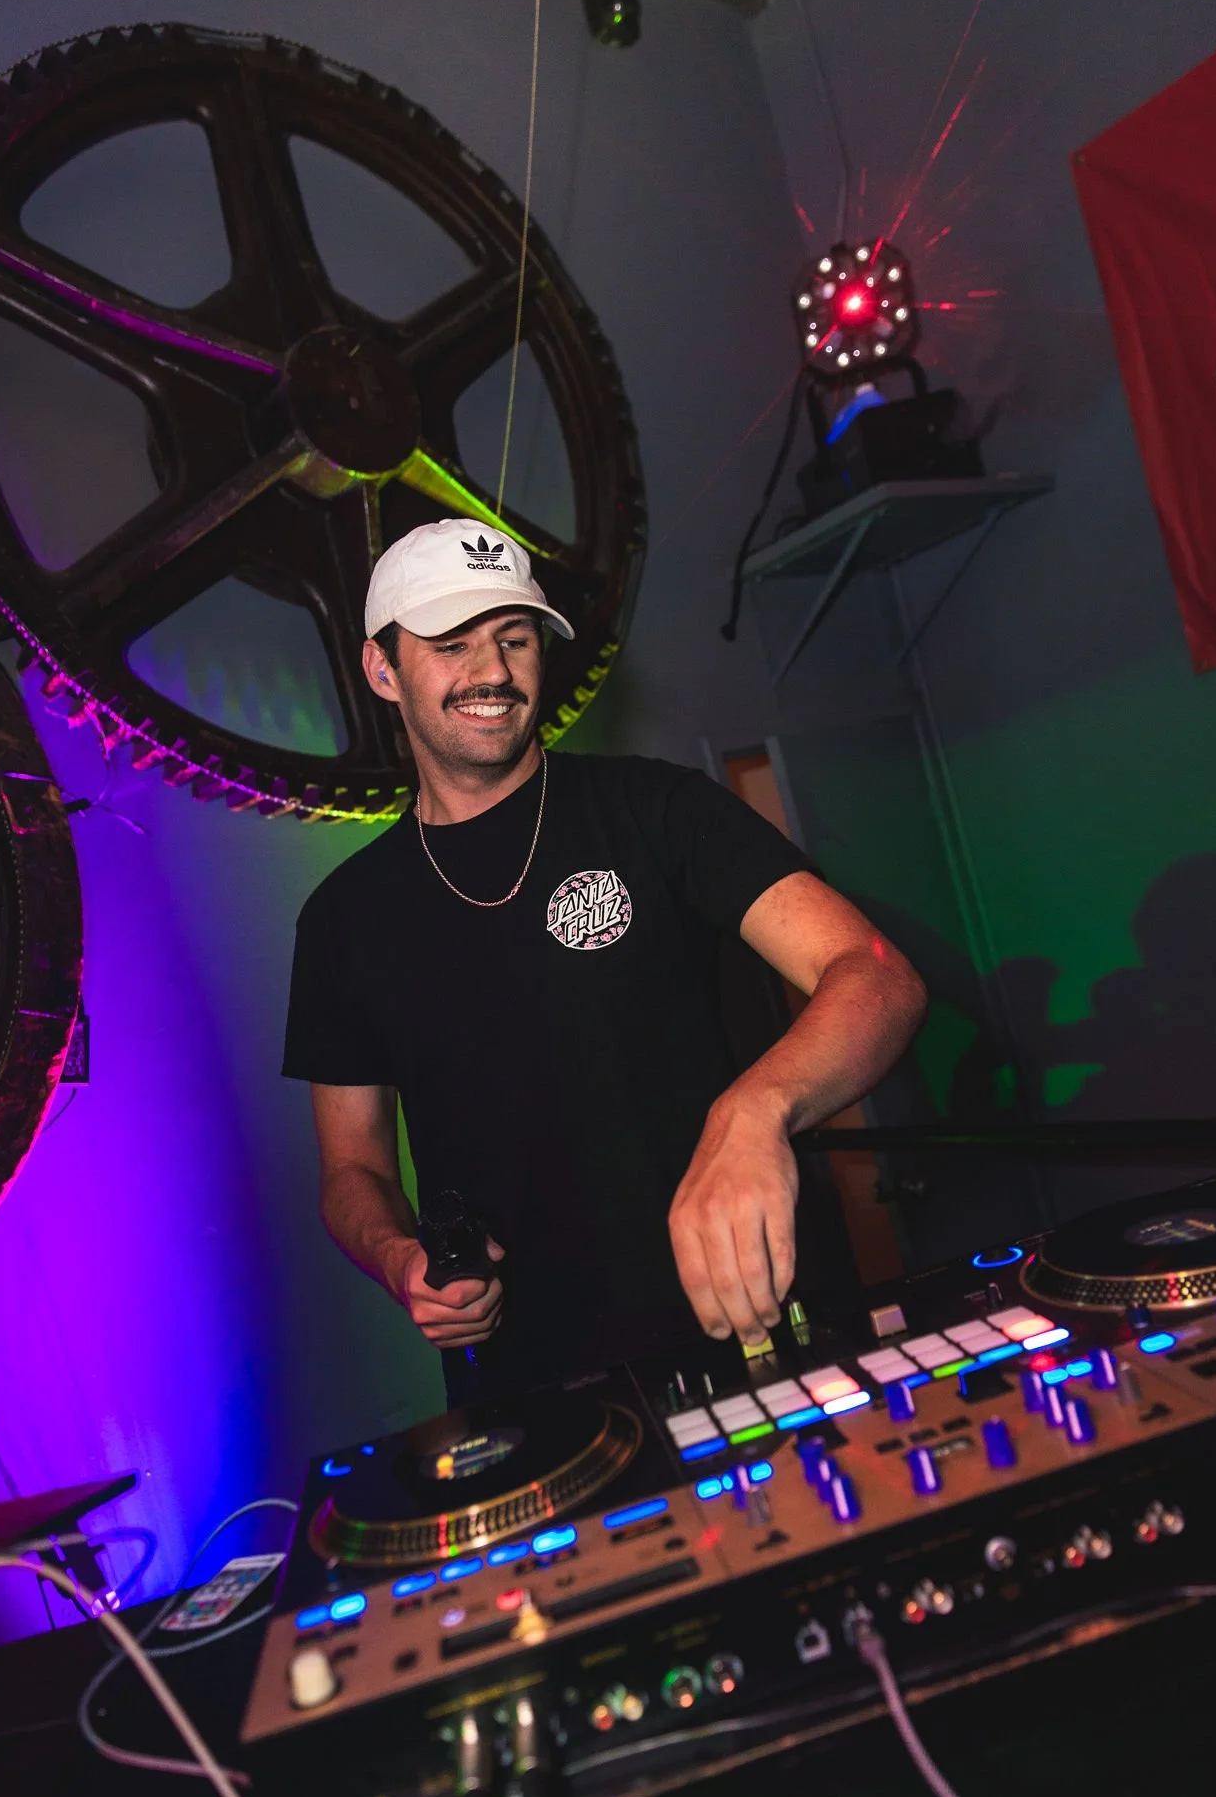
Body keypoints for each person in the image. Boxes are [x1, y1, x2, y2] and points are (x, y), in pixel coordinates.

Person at [283, 519, 925, 1404]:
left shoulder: (654, 808)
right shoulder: (343, 918)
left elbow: (876, 974)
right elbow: (352, 1170)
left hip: (741, 1328)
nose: (493, 671)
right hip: (528, 1385)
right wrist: (398, 1259)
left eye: (514, 639)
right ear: (382, 669)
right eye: (452, 644)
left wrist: (754, 1112)